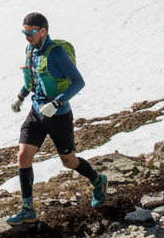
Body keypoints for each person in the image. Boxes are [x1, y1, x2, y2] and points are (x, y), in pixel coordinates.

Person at [7, 12, 107, 224]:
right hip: (37, 111)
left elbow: (78, 82)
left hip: (58, 115)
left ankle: (98, 181)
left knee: (69, 161)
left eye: (30, 32)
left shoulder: (57, 53)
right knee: (23, 155)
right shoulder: (30, 50)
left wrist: (57, 103)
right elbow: (32, 78)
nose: (27, 36)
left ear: (43, 31)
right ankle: (27, 209)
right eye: (24, 32)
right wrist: (21, 97)